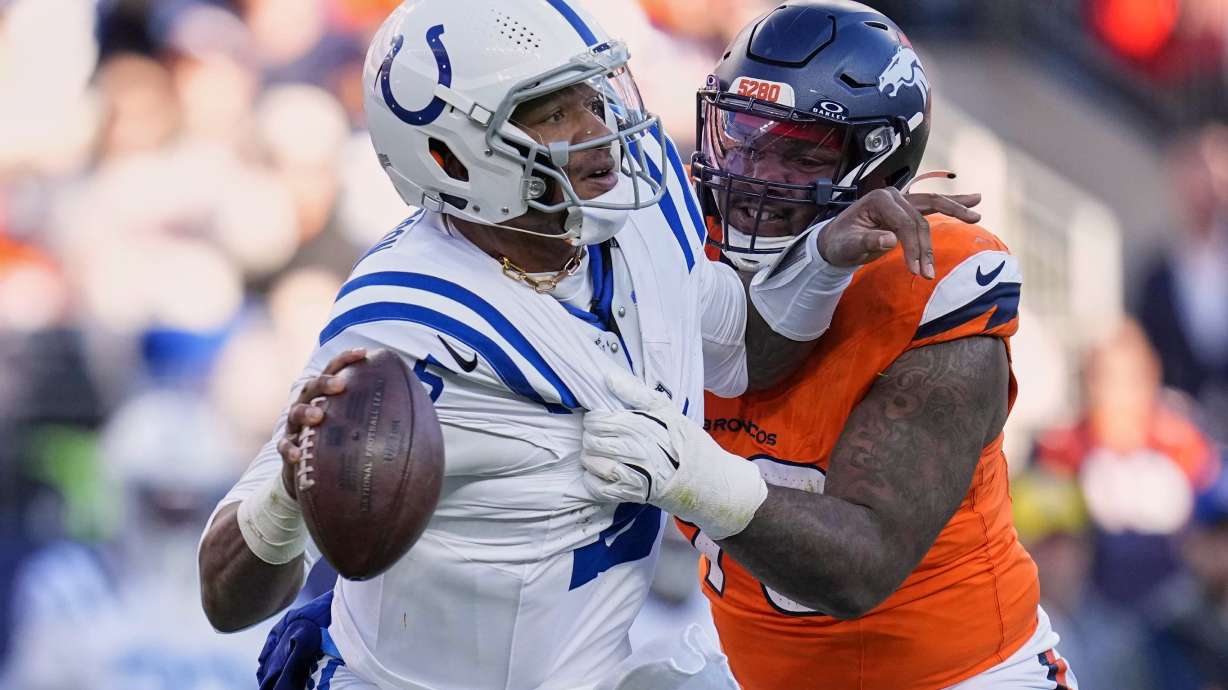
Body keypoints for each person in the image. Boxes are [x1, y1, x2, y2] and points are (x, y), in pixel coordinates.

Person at [197, 2, 974, 689]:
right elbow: (225, 597)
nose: (599, 131)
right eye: (550, 112)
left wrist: (822, 261)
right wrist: (291, 492)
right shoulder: (407, 323)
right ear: (451, 155)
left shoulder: (637, 204)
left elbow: (736, 352)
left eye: (592, 95)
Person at [576, 3, 1077, 688]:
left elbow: (858, 567)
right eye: (742, 136)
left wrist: (686, 473)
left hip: (960, 676)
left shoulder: (931, 280)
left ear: (878, 164)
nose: (754, 173)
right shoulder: (679, 241)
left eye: (799, 153)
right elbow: (750, 352)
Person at [1033, 319, 1219, 605]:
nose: (1117, 394)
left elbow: (1211, 532)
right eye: (1104, 378)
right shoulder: (1060, 451)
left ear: (1151, 377)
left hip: (1178, 604)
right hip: (1089, 605)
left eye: (1129, 380)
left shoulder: (1184, 445)